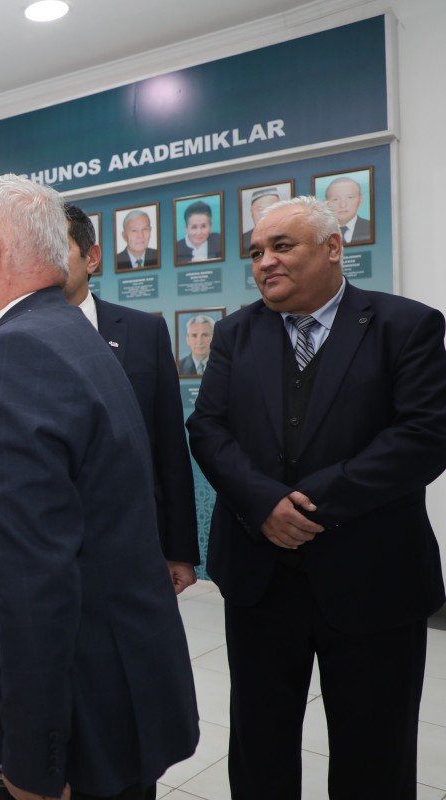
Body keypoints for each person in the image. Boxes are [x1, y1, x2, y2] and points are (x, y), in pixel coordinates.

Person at [0, 175, 198, 800]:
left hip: (75, 725)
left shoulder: (16, 354)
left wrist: (33, 761)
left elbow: (33, 581)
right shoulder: (70, 333)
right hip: (113, 694)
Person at [186, 196, 446, 798]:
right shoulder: (235, 333)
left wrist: (303, 505)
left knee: (375, 751)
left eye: (282, 246)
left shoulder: (406, 326)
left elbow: (424, 437)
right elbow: (208, 429)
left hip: (374, 578)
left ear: (333, 248)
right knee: (260, 744)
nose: (265, 262)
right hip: (260, 579)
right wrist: (263, 505)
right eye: (256, 252)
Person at [62, 203, 199, 593]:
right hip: (45, 543)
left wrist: (179, 549)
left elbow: (170, 447)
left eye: (57, 248)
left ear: (91, 257)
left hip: (133, 538)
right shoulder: (7, 338)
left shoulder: (143, 332)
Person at [324, 176, 372, 243]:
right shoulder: (319, 234)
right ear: (326, 203)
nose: (343, 205)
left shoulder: (371, 227)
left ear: (360, 199)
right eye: (335, 199)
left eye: (350, 197)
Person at [240, 187, 281, 254]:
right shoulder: (244, 239)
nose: (265, 213)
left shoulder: (291, 233)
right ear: (251, 212)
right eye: (260, 209)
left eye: (271, 208)